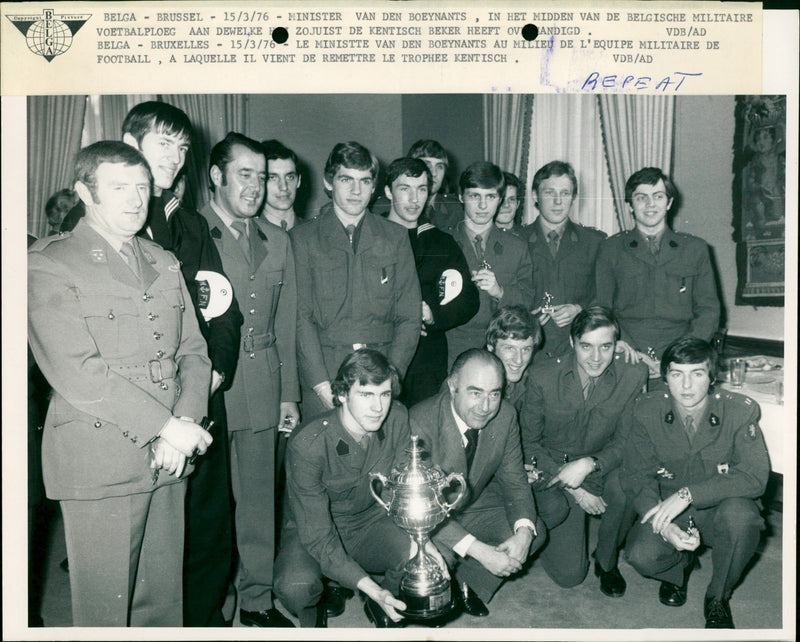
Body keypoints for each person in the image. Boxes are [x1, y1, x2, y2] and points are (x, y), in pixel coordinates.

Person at [28, 141, 213, 626]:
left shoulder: (163, 260)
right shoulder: (49, 262)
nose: (135, 199)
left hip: (170, 454)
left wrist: (185, 421)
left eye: (142, 187)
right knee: (105, 613)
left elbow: (192, 352)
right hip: (101, 460)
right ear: (85, 193)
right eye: (118, 188)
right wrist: (166, 427)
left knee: (163, 607)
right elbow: (78, 372)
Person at [199, 132, 299, 628]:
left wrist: (290, 396)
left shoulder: (277, 239)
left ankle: (257, 599)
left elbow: (289, 322)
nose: (257, 186)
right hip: (212, 387)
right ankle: (212, 608)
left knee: (259, 502)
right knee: (213, 508)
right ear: (216, 176)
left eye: (262, 177)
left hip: (262, 382)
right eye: (246, 174)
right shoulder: (191, 232)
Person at [274, 350, 446, 628]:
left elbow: (401, 492)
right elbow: (319, 537)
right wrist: (372, 587)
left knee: (422, 561)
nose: (379, 407)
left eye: (385, 394)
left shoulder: (397, 418)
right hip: (316, 530)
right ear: (342, 394)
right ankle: (318, 610)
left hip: (370, 523)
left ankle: (382, 607)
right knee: (296, 586)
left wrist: (421, 542)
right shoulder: (309, 444)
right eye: (366, 395)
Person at [621, 337, 769, 629]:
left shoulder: (739, 411)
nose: (686, 386)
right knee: (641, 554)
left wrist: (689, 494)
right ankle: (679, 570)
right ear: (665, 378)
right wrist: (664, 524)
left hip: (719, 509)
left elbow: (754, 477)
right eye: (677, 374)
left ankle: (717, 597)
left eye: (697, 374)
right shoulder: (646, 410)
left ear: (712, 377)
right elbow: (636, 474)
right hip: (668, 506)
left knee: (742, 520)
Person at [519, 307, 648, 595]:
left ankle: (606, 560)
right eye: (586, 346)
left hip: (600, 465)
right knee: (570, 576)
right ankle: (548, 534)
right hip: (553, 471)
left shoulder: (633, 374)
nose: (596, 358)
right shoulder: (542, 376)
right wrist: (574, 488)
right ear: (571, 342)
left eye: (605, 347)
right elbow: (528, 444)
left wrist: (591, 464)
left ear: (616, 346)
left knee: (625, 485)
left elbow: (627, 441)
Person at [409, 349, 546, 617]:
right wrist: (481, 551)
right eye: (475, 392)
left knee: (533, 529)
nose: (486, 407)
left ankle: (469, 585)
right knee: (436, 570)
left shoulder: (505, 415)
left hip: (471, 505)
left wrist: (524, 532)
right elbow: (420, 509)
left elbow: (515, 481)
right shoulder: (420, 421)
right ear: (452, 386)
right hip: (426, 520)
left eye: (494, 394)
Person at [290, 141, 421, 419]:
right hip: (325, 375)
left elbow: (410, 317)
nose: (356, 190)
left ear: (374, 187)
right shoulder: (303, 239)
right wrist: (322, 386)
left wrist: (389, 379)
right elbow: (302, 318)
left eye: (365, 181)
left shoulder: (395, 237)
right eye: (346, 179)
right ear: (329, 182)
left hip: (381, 371)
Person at [594, 167, 720, 379]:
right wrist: (623, 347)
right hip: (626, 355)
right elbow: (601, 307)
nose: (650, 205)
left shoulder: (695, 249)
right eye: (641, 198)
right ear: (630, 206)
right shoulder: (611, 248)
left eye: (658, 196)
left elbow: (708, 310)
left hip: (683, 359)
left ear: (669, 203)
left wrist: (679, 355)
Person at [384, 156, 480, 406]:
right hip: (380, 352)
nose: (414, 199)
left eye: (422, 190)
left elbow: (468, 300)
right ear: (387, 191)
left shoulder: (440, 242)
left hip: (425, 361)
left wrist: (432, 314)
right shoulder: (372, 237)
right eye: (405, 189)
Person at [443, 161, 534, 367]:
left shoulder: (517, 247)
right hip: (451, 351)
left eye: (491, 197)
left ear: (500, 199)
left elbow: (528, 298)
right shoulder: (442, 243)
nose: (483, 206)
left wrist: (500, 291)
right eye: (475, 196)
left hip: (502, 352)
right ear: (461, 197)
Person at [524, 161, 606, 360]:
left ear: (574, 198)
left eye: (565, 193)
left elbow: (605, 296)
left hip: (577, 350)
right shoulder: (516, 240)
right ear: (535, 195)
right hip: (529, 351)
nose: (558, 201)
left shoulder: (595, 242)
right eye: (550, 193)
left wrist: (579, 310)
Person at [372, 139, 463, 229]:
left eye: (439, 167)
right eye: (427, 165)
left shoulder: (453, 209)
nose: (434, 173)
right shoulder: (383, 207)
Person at [485, 305, 541, 411]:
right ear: (491, 348)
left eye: (526, 349)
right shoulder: (471, 382)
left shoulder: (533, 384)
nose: (519, 360)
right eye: (510, 348)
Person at [261, 139, 302, 231]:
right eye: (272, 178)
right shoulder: (248, 233)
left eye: (290, 177)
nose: (284, 187)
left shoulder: (315, 233)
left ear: (299, 181)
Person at [494, 172, 526, 238]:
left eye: (511, 199)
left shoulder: (527, 238)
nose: (506, 205)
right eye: (501, 200)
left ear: (518, 204)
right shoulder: (480, 238)